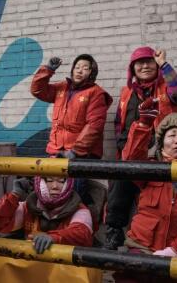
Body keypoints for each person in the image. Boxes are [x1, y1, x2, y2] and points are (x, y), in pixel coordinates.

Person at [105, 47, 177, 250]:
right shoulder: (127, 92)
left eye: (149, 62)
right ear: (132, 69)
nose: (144, 66)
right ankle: (114, 231)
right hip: (134, 150)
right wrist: (122, 146)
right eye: (139, 63)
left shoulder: (167, 86)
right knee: (120, 177)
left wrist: (164, 64)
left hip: (164, 153)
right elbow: (120, 123)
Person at [113, 107, 177, 283]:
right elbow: (131, 160)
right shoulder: (150, 169)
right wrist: (142, 124)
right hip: (140, 249)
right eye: (172, 135)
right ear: (161, 143)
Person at [30, 54, 112, 226]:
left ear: (92, 72)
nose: (80, 70)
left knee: (73, 194)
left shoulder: (96, 93)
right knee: (47, 192)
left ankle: (78, 229)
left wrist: (75, 152)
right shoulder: (62, 88)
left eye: (85, 67)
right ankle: (51, 230)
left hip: (79, 155)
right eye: (77, 66)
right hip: (55, 150)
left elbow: (94, 125)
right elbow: (37, 89)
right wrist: (48, 70)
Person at [0, 176, 93, 250]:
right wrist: (14, 196)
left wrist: (53, 238)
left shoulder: (80, 210)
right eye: (49, 180)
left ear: (69, 184)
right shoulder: (28, 206)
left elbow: (82, 235)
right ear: (39, 182)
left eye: (61, 181)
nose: (55, 186)